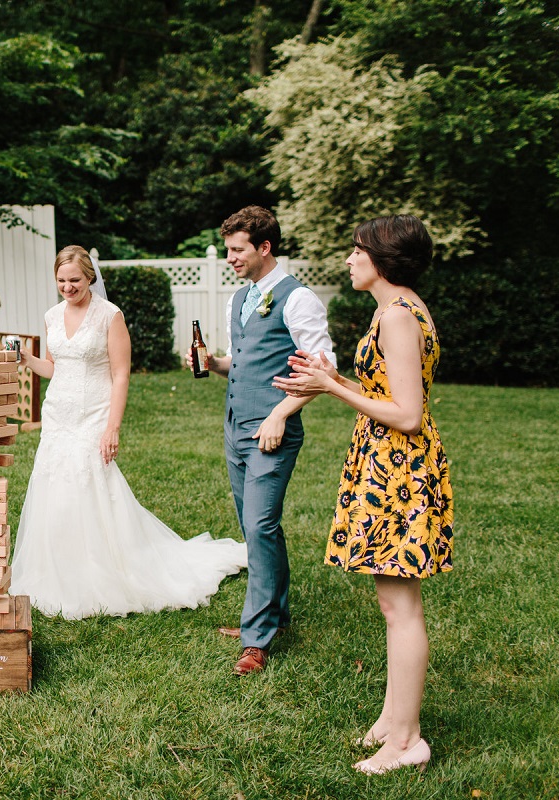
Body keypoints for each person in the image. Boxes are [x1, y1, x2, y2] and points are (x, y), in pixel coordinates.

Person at [274, 215, 452, 774]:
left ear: (383, 258)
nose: (349, 260)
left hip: (400, 471)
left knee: (401, 609)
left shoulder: (398, 317)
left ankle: (406, 741)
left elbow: (406, 413)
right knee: (391, 604)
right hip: (386, 467)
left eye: (357, 251)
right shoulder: (396, 309)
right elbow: (387, 392)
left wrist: (330, 387)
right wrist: (329, 382)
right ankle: (392, 718)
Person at [10, 245, 247, 620]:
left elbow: (120, 374)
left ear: (90, 277)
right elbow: (57, 368)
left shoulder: (109, 315)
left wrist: (112, 427)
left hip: (94, 415)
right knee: (55, 485)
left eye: (75, 280)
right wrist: (28, 360)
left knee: (92, 484)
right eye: (61, 281)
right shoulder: (51, 316)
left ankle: (105, 570)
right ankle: (60, 568)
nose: (68, 287)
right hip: (58, 415)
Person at [205, 206, 334, 676]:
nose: (231, 258)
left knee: (259, 526)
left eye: (238, 250)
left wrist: (281, 413)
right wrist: (213, 363)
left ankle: (256, 637)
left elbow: (324, 371)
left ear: (264, 247)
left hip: (272, 431)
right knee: (255, 526)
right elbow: (242, 360)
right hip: (235, 425)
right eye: (228, 250)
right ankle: (274, 615)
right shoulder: (239, 298)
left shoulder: (298, 300)